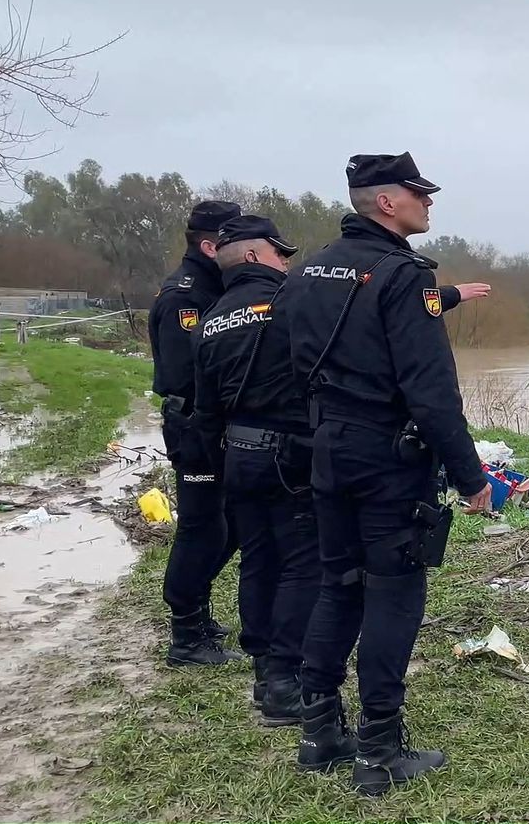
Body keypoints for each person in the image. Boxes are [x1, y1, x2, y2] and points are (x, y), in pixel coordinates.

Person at [287, 152, 492, 795]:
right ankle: (378, 750)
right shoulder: (403, 276)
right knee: (394, 595)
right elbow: (431, 391)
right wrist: (469, 474)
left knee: (338, 584)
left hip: (328, 449)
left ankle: (319, 732)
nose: (428, 204)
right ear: (386, 203)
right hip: (386, 460)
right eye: (418, 194)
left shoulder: (308, 268)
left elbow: (300, 363)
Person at [191, 214, 317, 726]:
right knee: (303, 565)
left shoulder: (210, 321)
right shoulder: (290, 304)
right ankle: (288, 682)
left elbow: (204, 410)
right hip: (289, 456)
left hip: (237, 456)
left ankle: (266, 672)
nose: (286, 261)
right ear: (251, 256)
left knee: (259, 561)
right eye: (279, 253)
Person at [149, 200, 245, 666]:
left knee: (225, 525)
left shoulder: (214, 287)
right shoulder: (185, 297)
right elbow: (186, 376)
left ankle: (198, 609)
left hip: (217, 425)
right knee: (200, 529)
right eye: (233, 242)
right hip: (194, 426)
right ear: (209, 246)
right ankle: (185, 635)